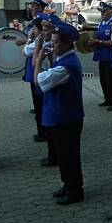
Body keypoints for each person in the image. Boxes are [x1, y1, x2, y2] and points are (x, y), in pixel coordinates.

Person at [35, 23, 85, 205]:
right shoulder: (64, 59)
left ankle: (75, 190)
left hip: (66, 118)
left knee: (68, 155)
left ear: (66, 44)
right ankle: (67, 184)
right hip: (63, 116)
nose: (52, 45)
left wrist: (39, 59)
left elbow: (38, 81)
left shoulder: (66, 66)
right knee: (64, 155)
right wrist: (49, 60)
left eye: (55, 43)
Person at [32, 13, 64, 166]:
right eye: (42, 29)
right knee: (48, 125)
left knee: (54, 130)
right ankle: (52, 154)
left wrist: (39, 52)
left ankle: (55, 156)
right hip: (47, 86)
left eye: (46, 29)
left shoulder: (57, 49)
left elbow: (36, 72)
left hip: (48, 87)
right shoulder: (47, 46)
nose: (43, 32)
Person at [18, 0, 46, 136]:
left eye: (34, 6)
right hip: (34, 56)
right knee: (36, 93)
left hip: (37, 57)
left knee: (39, 94)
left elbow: (37, 38)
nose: (31, 8)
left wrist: (26, 41)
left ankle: (42, 128)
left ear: (40, 7)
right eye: (31, 6)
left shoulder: (42, 20)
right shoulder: (37, 21)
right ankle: (39, 114)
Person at [90, 1, 112, 108]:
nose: (102, 14)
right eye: (101, 12)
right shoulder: (102, 23)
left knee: (111, 80)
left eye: (104, 12)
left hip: (110, 56)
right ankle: (108, 99)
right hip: (101, 56)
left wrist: (98, 42)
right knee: (104, 80)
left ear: (110, 12)